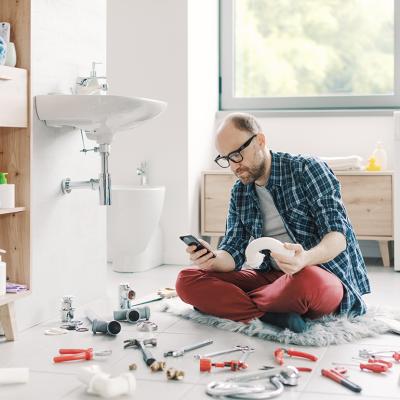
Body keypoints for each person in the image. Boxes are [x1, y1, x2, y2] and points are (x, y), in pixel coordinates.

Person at [176, 112, 370, 333]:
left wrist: (305, 258)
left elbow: (338, 237)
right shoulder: (239, 191)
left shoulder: (307, 169)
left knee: (306, 283)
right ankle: (269, 314)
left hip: (316, 273)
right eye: (226, 159)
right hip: (270, 279)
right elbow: (232, 253)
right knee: (187, 279)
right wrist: (211, 260)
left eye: (237, 154)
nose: (233, 166)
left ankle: (236, 305)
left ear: (260, 141)